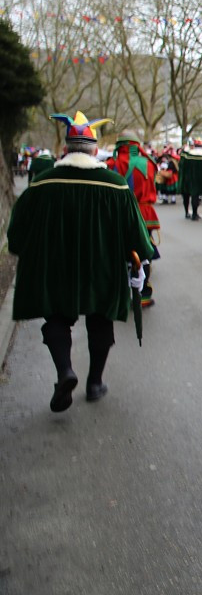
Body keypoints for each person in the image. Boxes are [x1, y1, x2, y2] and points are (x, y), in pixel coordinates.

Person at [7, 112, 154, 411]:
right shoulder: (114, 185)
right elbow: (136, 235)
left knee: (57, 318)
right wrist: (140, 260)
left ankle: (65, 372)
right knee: (100, 319)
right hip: (101, 268)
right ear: (95, 150)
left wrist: (25, 252)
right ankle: (94, 382)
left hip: (56, 266)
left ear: (65, 149)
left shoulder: (42, 184)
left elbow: (17, 231)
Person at [110, 131, 160, 308]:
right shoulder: (148, 164)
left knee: (118, 253)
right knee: (143, 254)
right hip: (144, 214)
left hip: (119, 215)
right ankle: (142, 295)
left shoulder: (111, 164)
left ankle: (120, 295)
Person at [179, 140, 202, 220]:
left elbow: (184, 167)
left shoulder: (189, 156)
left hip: (193, 179)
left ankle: (194, 214)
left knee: (195, 196)